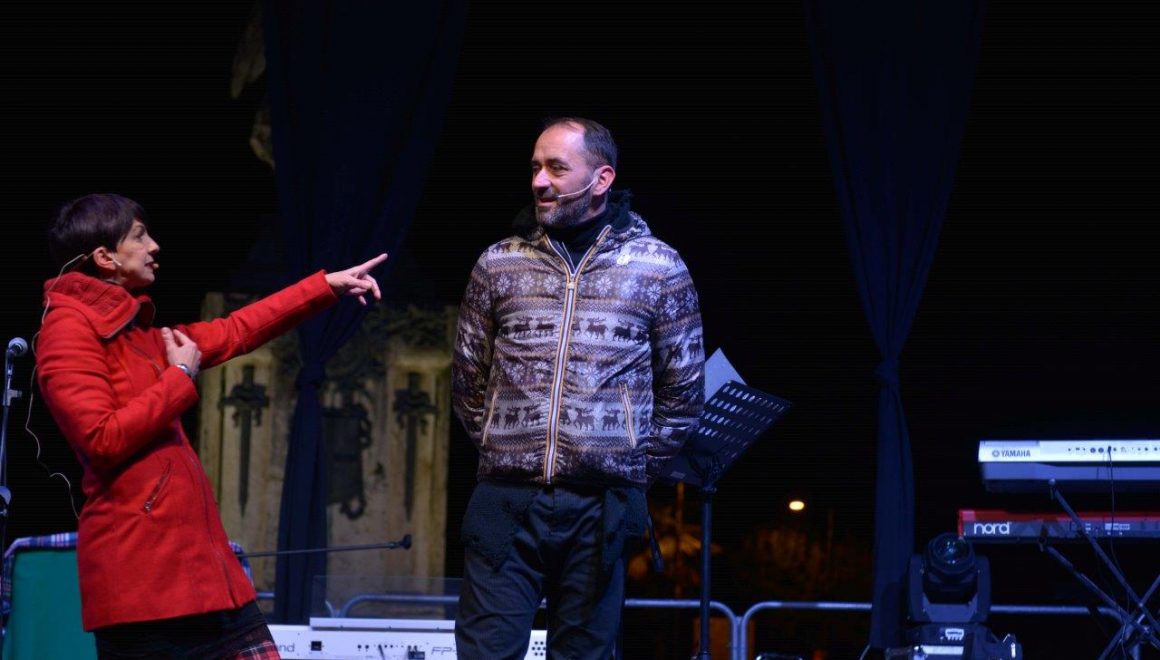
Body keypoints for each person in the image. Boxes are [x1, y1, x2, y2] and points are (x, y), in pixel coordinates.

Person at [34, 193, 387, 659]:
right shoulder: (66, 330)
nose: (154, 246)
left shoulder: (139, 335)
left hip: (200, 573)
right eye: (139, 236)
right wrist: (180, 376)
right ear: (105, 257)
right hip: (143, 583)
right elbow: (102, 438)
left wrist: (326, 287)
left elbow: (235, 330)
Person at [451, 117, 705, 659]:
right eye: (535, 168)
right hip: (505, 499)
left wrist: (624, 462)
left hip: (601, 505)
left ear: (601, 178)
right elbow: (468, 382)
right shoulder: (498, 263)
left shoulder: (658, 268)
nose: (539, 181)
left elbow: (683, 393)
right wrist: (510, 445)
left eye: (556, 168)